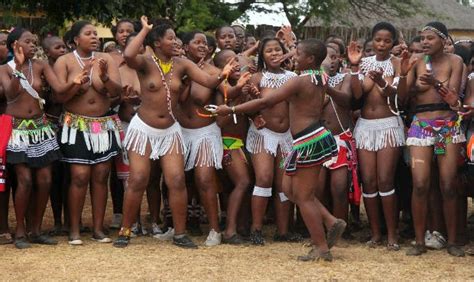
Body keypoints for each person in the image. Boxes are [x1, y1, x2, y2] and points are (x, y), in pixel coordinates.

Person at [216, 38, 347, 262]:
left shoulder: (299, 81)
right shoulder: (320, 75)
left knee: (303, 197)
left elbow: (266, 102)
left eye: (297, 54)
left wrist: (232, 108)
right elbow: (321, 62)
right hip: (307, 139)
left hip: (308, 141)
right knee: (288, 188)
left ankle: (321, 247)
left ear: (310, 59)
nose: (293, 56)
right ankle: (331, 221)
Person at [112, 16, 237, 248]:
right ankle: (125, 230)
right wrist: (144, 31)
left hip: (170, 131)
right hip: (144, 130)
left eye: (176, 37)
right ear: (158, 43)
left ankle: (179, 234)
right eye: (170, 38)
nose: (176, 41)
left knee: (177, 180)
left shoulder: (182, 64)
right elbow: (128, 55)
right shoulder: (146, 61)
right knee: (138, 178)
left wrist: (224, 73)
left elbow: (209, 81)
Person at [0, 28, 85, 248]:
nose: (33, 45)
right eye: (27, 41)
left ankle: (35, 230)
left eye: (34, 42)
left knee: (45, 180)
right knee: (25, 180)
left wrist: (75, 82)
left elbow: (58, 89)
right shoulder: (3, 69)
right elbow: (10, 94)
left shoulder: (41, 66)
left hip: (40, 129)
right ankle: (19, 231)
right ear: (14, 45)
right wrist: (18, 66)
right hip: (17, 130)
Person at [54, 21, 123, 245]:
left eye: (96, 33)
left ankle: (98, 229)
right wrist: (77, 82)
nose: (94, 37)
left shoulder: (107, 59)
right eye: (88, 33)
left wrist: (103, 76)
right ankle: (74, 229)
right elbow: (59, 98)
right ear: (76, 39)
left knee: (101, 176)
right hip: (76, 125)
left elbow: (116, 92)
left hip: (102, 125)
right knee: (79, 176)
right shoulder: (64, 61)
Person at [401, 22, 465, 257]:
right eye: (422, 38)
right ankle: (419, 241)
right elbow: (402, 98)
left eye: (430, 38)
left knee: (448, 185)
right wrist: (404, 74)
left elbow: (453, 97)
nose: (425, 42)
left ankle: (453, 242)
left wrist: (434, 83)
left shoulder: (455, 62)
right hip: (421, 126)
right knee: (420, 184)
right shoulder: (417, 63)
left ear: (443, 40)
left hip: (446, 127)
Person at [347, 22, 408, 251]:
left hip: (388, 126)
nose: (382, 44)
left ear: (393, 43)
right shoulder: (364, 63)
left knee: (385, 180)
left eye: (387, 40)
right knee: (369, 182)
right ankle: (375, 234)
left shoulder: (397, 64)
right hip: (364, 127)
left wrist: (384, 82)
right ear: (372, 40)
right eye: (378, 40)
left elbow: (396, 98)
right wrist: (354, 68)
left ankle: (392, 234)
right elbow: (357, 93)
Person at [244, 37, 301, 245]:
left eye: (278, 49)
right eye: (269, 51)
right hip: (263, 135)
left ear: (283, 52)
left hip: (286, 137)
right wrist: (253, 114)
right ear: (262, 56)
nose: (274, 53)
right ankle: (256, 229)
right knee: (264, 178)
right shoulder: (257, 77)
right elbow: (246, 104)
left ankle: (283, 231)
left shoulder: (293, 77)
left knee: (284, 184)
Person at [176, 31, 228, 246]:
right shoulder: (176, 70)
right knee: (178, 180)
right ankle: (176, 227)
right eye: (196, 42)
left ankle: (215, 230)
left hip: (205, 132)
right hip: (179, 131)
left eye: (205, 43)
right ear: (185, 47)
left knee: (204, 179)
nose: (202, 46)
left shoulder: (215, 73)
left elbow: (225, 101)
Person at [318, 45, 358, 233]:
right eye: (326, 57)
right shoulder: (312, 80)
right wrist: (321, 81)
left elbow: (346, 99)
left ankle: (340, 229)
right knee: (318, 189)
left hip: (340, 140)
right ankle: (322, 228)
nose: (330, 61)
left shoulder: (346, 77)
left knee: (339, 188)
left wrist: (328, 89)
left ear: (340, 59)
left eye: (333, 57)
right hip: (317, 140)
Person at [41, 36, 70, 236]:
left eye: (64, 46)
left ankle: (70, 220)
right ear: (48, 53)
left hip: (70, 125)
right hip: (49, 127)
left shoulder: (70, 68)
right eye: (57, 47)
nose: (62, 50)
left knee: (69, 174)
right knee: (54, 176)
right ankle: (58, 221)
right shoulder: (42, 73)